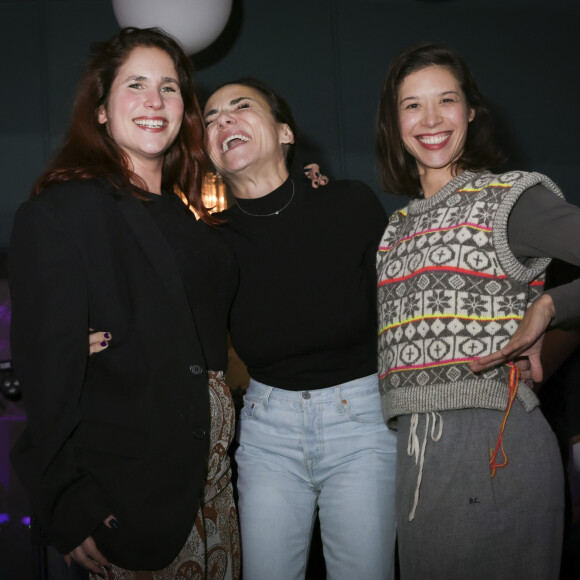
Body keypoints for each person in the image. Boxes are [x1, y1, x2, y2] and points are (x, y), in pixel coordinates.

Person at [9, 27, 240, 579]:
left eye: (169, 87)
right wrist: (66, 500)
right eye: (135, 85)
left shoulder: (191, 217)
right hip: (133, 497)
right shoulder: (61, 213)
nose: (155, 102)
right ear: (101, 111)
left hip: (214, 489)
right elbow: (46, 375)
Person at [374, 41, 580, 579]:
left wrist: (554, 304)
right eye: (412, 105)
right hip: (416, 454)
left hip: (493, 444)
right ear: (394, 123)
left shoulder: (508, 198)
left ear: (470, 111)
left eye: (447, 100)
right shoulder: (397, 228)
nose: (431, 119)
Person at [202, 78, 398, 580]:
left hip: (361, 421)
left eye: (240, 107)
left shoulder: (350, 204)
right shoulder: (208, 245)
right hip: (267, 430)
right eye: (210, 117)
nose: (223, 120)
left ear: (285, 132)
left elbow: (405, 308)